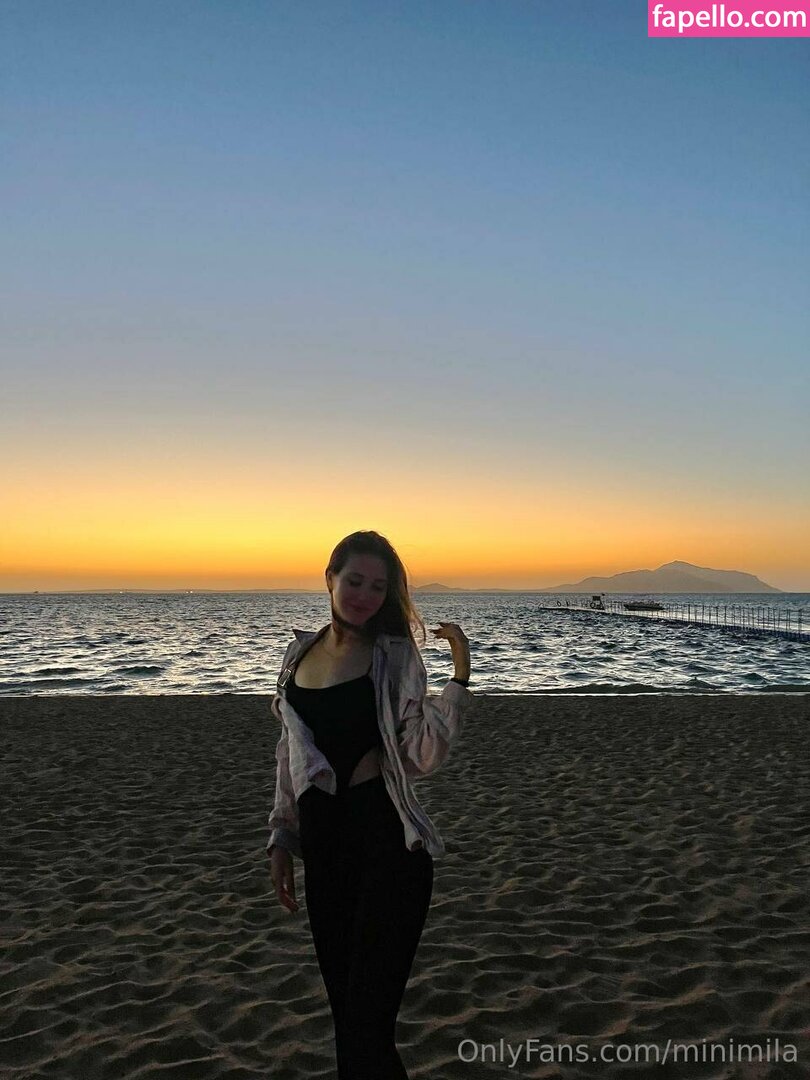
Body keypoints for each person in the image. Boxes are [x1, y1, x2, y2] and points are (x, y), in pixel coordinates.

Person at [267, 530, 473, 1080]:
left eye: (378, 587)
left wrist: (458, 676)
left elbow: (422, 755)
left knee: (367, 1029)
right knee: (348, 1025)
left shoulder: (395, 657)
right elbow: (289, 755)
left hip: (386, 850)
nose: (364, 595)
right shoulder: (297, 654)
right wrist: (282, 836)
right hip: (324, 854)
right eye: (354, 581)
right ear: (330, 578)